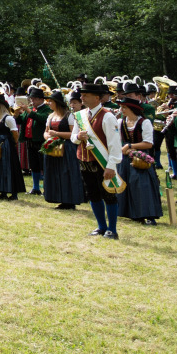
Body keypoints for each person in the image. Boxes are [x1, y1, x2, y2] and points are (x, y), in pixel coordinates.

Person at [71, 80, 124, 238]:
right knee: (92, 194)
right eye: (82, 95)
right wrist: (78, 136)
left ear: (97, 98)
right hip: (84, 160)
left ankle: (112, 229)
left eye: (86, 95)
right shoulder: (80, 115)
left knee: (108, 194)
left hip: (102, 162)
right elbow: (73, 138)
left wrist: (111, 165)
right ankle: (101, 226)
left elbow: (115, 144)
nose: (82, 98)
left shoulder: (108, 117)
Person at [116, 94, 162, 223]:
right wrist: (123, 149)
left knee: (141, 186)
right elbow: (117, 140)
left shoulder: (144, 122)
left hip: (141, 158)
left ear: (132, 109)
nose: (121, 110)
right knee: (126, 185)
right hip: (125, 158)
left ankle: (148, 215)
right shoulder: (121, 122)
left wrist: (130, 146)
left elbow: (148, 143)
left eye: (124, 107)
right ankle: (132, 214)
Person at [39, 91, 83, 209]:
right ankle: (57, 197)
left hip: (67, 149)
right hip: (53, 148)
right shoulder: (50, 116)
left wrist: (57, 134)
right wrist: (47, 137)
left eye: (51, 101)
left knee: (66, 173)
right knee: (54, 173)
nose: (48, 103)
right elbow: (46, 131)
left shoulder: (69, 116)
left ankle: (69, 201)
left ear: (57, 103)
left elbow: (73, 134)